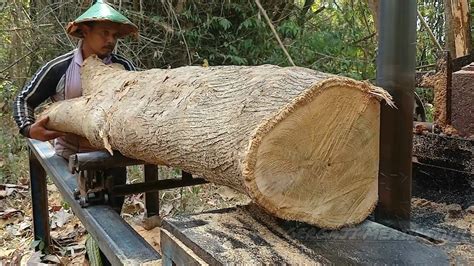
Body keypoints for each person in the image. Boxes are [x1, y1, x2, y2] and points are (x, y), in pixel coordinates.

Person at [12, 0, 138, 213]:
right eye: (104, 33)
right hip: (72, 159)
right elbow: (24, 100)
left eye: (115, 35)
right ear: (85, 31)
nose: (111, 40)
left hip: (112, 157)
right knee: (91, 215)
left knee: (114, 215)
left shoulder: (124, 68)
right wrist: (28, 128)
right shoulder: (60, 67)